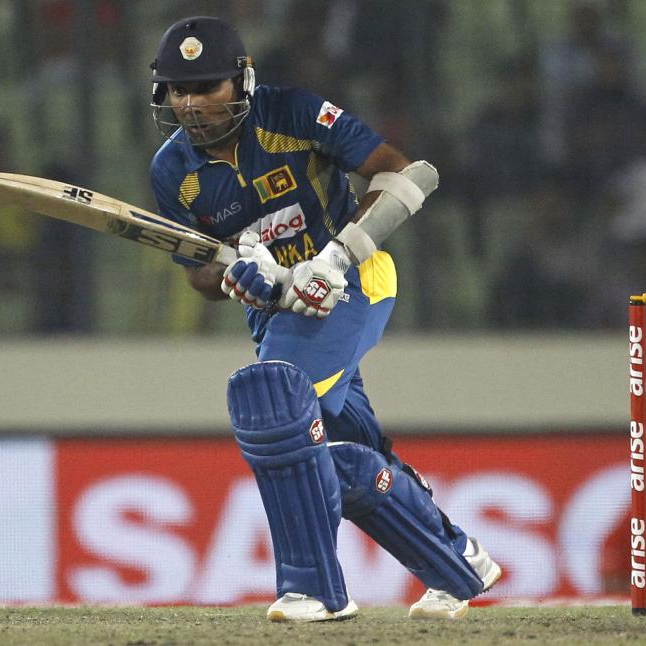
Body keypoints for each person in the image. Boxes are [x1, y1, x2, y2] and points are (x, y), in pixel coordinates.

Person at [147, 16, 501, 622]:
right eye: (178, 90)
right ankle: (457, 558)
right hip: (276, 315)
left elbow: (406, 174)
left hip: (352, 284)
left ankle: (316, 589)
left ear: (241, 81)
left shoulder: (294, 114)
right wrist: (234, 273)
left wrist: (334, 257)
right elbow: (198, 274)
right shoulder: (171, 171)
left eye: (206, 87)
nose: (191, 103)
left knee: (272, 399)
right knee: (347, 451)